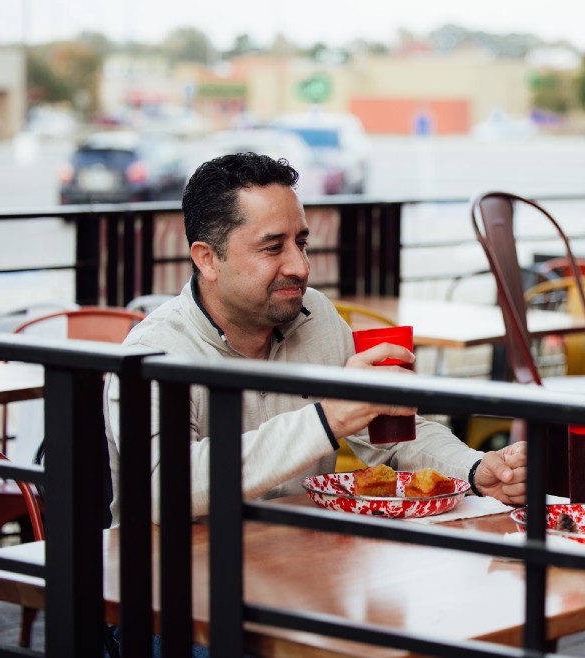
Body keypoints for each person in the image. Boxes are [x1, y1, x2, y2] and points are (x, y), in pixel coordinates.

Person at [103, 152, 526, 526]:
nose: (301, 267)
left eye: (301, 243)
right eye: (273, 248)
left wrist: (475, 469)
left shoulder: (316, 315)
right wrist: (328, 418)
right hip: (174, 586)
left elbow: (388, 437)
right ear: (208, 259)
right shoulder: (154, 352)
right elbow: (166, 486)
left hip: (298, 562)